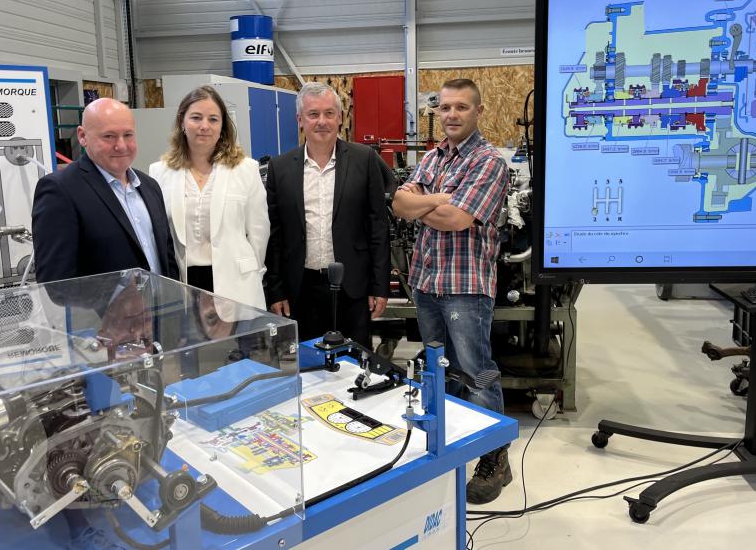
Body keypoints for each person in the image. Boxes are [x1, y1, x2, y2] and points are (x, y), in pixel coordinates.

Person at [392, 78, 511, 504]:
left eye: (461, 107)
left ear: (477, 112)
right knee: (441, 373)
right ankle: (454, 447)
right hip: (426, 283)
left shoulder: (489, 162)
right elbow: (399, 205)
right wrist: (438, 200)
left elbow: (458, 220)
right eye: (445, 108)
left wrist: (427, 204)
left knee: (476, 372)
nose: (452, 115)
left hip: (465, 286)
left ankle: (495, 459)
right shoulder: (433, 157)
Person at [265, 82, 390, 347]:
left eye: (329, 113)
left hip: (353, 287)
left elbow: (377, 227)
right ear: (300, 119)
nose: (322, 121)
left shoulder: (364, 159)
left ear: (340, 117)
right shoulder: (281, 168)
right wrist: (275, 290)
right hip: (301, 288)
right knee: (309, 367)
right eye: (313, 114)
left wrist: (380, 286)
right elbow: (275, 236)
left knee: (356, 364)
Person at [32, 98, 178, 283]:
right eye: (109, 136)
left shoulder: (149, 186)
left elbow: (167, 258)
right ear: (82, 136)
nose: (121, 145)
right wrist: (113, 300)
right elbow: (54, 282)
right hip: (103, 312)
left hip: (163, 309)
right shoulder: (60, 191)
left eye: (128, 135)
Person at [149, 86, 269, 309]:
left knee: (237, 344)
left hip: (237, 284)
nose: (204, 126)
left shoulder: (245, 169)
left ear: (222, 126)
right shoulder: (159, 172)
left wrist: (253, 271)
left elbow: (259, 233)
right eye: (196, 118)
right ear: (182, 123)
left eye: (213, 119)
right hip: (184, 286)